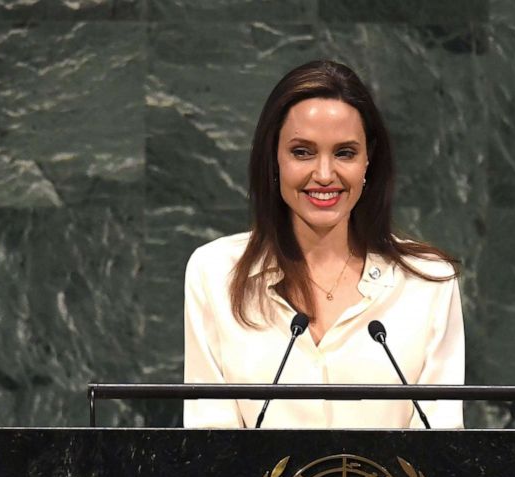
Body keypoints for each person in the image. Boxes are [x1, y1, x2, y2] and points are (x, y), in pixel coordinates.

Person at [182, 60, 464, 428]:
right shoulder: (215, 273)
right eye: (302, 152)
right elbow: (209, 444)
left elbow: (443, 450)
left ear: (368, 161)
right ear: (274, 159)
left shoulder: (429, 282)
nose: (325, 175)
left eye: (345, 152)